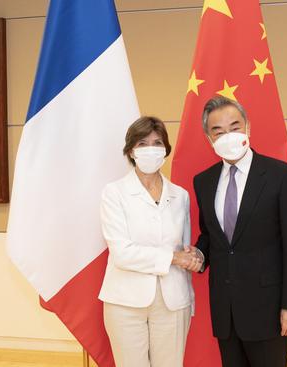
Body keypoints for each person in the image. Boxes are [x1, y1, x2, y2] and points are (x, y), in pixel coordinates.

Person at [192, 96, 287, 367]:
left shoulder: (282, 176)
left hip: (268, 308)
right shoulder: (204, 181)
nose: (228, 135)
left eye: (235, 126)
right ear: (209, 139)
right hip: (226, 310)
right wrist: (198, 254)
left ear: (248, 128)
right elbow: (211, 236)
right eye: (217, 131)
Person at [99, 116, 203, 367]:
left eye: (157, 143)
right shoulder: (114, 193)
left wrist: (194, 258)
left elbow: (185, 248)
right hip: (125, 301)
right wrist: (174, 258)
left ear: (166, 149)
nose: (151, 149)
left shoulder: (180, 195)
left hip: (173, 300)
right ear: (131, 150)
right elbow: (122, 253)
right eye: (143, 143)